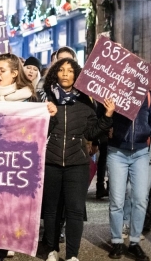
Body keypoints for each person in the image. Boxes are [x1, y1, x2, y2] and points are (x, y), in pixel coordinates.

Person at [0, 53, 54, 261]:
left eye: (2, 70)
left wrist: (49, 113)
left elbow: (42, 129)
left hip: (12, 164)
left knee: (4, 208)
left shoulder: (29, 97)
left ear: (14, 73)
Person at [42, 58, 115, 261]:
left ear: (77, 75)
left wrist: (108, 116)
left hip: (77, 163)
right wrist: (49, 116)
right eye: (61, 70)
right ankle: (52, 249)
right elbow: (38, 131)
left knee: (74, 209)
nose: (65, 73)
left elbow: (91, 131)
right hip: (50, 161)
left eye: (70, 70)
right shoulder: (46, 99)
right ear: (55, 73)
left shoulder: (85, 101)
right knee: (52, 210)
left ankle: (72, 255)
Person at [101, 75, 151, 260]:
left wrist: (148, 132)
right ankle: (117, 241)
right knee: (117, 200)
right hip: (117, 152)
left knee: (140, 198)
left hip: (141, 152)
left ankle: (134, 242)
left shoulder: (148, 94)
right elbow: (102, 118)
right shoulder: (112, 93)